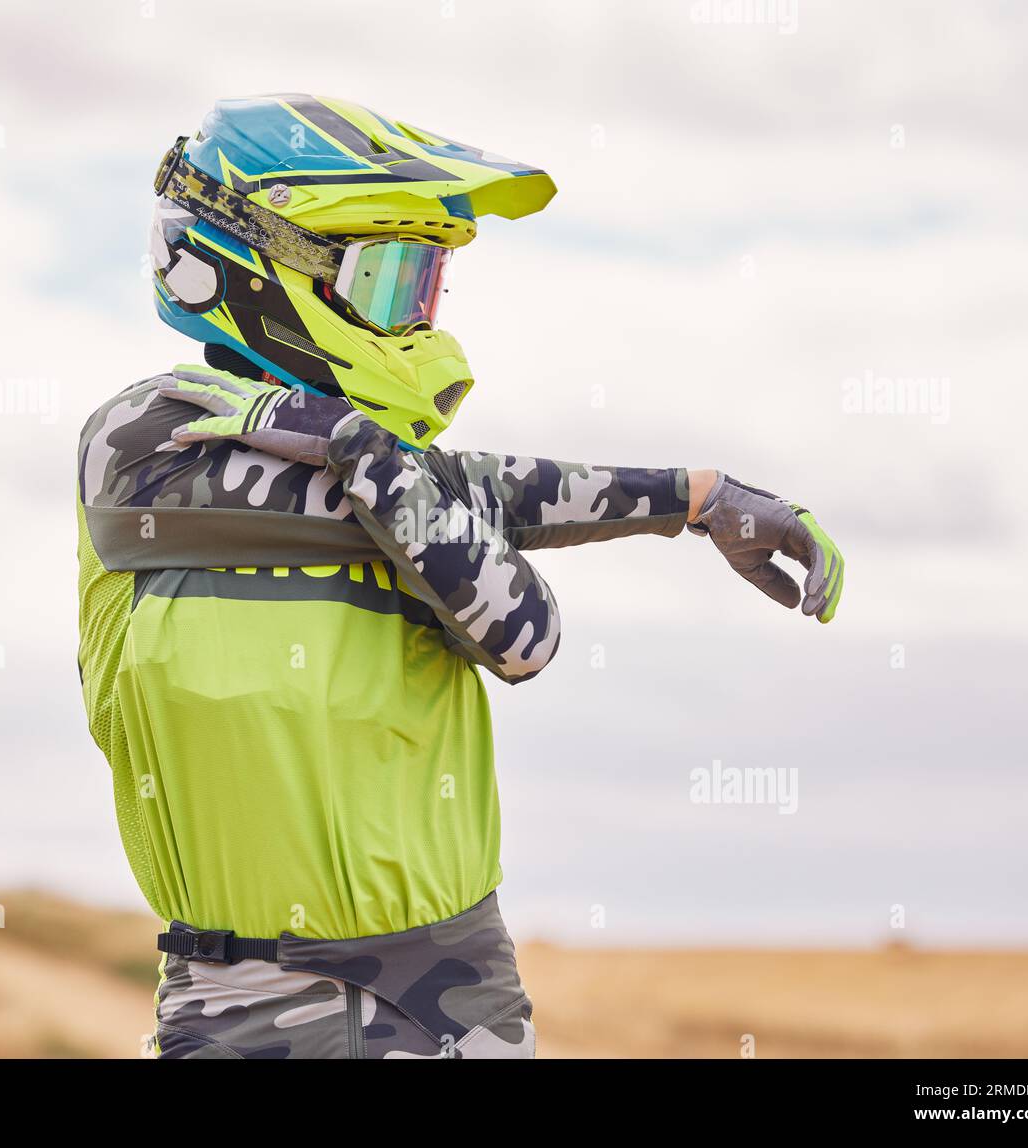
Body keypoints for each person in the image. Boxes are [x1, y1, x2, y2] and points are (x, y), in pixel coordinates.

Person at [76, 95, 844, 1060]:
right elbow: (522, 629)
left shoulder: (382, 480)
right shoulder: (143, 442)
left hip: (444, 996)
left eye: (426, 284)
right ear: (258, 267)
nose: (417, 317)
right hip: (236, 1004)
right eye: (390, 280)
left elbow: (459, 491)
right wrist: (363, 447)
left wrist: (698, 494)